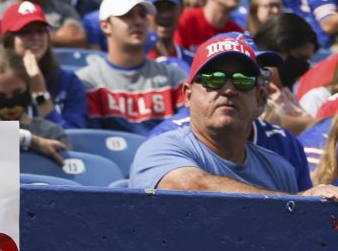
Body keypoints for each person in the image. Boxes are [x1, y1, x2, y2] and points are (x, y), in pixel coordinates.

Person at [130, 36, 338, 198]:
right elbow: (192, 187)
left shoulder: (279, 168)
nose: (229, 90)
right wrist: (296, 202)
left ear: (259, 97)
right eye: (213, 79)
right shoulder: (159, 148)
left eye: (243, 80)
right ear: (188, 95)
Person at [77, 0, 187, 133]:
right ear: (105, 26)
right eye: (127, 15)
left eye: (143, 15)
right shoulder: (87, 81)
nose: (138, 21)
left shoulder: (173, 77)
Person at [0, 1, 88, 128]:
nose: (35, 37)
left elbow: (73, 140)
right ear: (9, 41)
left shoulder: (68, 82)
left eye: (40, 31)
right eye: (25, 32)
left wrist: (40, 94)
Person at [0, 48, 69, 163]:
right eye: (0, 95)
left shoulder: (52, 133)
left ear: (29, 88)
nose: (10, 101)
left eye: (17, 93)